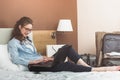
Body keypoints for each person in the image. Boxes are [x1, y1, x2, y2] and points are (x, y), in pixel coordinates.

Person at [8, 16, 120, 72]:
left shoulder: (28, 40)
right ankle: (96, 70)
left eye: (30, 30)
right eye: (26, 29)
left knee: (67, 47)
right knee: (66, 65)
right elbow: (15, 59)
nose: (28, 32)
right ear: (19, 27)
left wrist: (45, 58)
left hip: (43, 62)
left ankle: (87, 67)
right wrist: (34, 61)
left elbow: (35, 54)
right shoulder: (13, 43)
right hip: (34, 66)